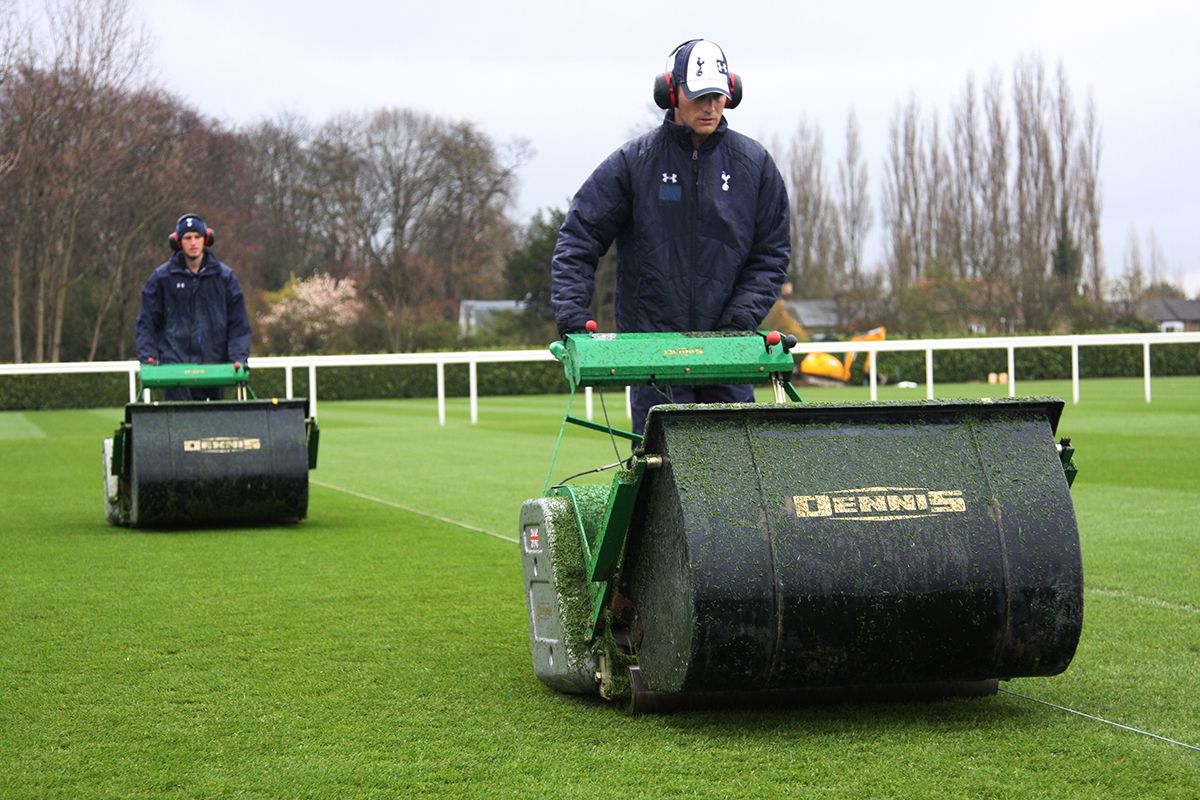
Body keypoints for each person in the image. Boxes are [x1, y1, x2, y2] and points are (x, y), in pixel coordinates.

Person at [551, 38, 791, 435]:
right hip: (652, 358)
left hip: (729, 352)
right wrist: (574, 319)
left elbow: (772, 254)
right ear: (671, 93)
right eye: (700, 97)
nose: (711, 107)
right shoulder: (633, 162)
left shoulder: (755, 166)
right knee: (659, 478)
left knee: (739, 476)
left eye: (718, 96)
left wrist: (739, 322)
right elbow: (578, 238)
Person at [135, 213, 252, 401]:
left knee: (214, 428)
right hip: (174, 371)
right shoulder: (161, 279)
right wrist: (148, 357)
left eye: (197, 237)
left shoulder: (225, 278)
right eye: (187, 238)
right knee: (177, 428)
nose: (193, 243)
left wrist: (238, 357)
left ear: (206, 239)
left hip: (215, 370)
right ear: (178, 242)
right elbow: (146, 322)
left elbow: (238, 324)